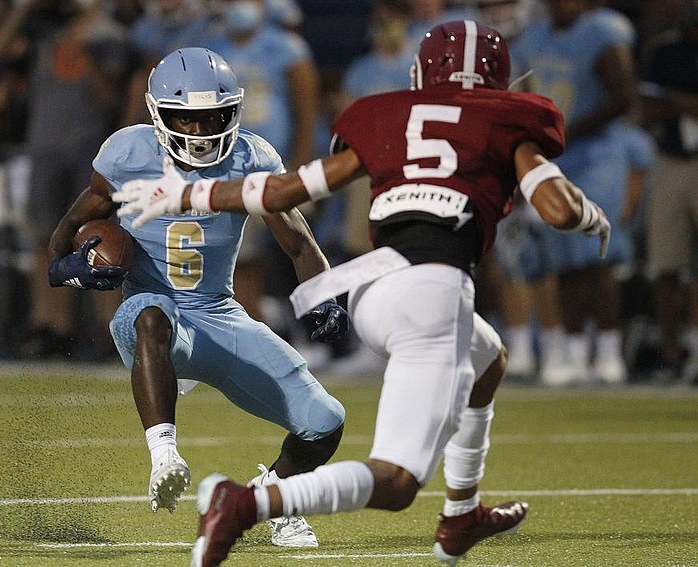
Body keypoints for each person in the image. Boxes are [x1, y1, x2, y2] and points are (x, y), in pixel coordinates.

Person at [111, 21, 611, 566]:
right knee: (396, 482)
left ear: (421, 73)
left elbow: (282, 190)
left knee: (487, 361)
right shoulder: (510, 118)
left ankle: (462, 511)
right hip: (432, 290)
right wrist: (591, 217)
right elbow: (559, 210)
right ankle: (249, 503)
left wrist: (188, 191)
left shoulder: (384, 112)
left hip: (373, 282)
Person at [45, 47, 348, 548]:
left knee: (325, 422)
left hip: (218, 316)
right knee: (151, 313)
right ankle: (165, 454)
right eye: (189, 119)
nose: (203, 132)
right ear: (158, 113)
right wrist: (71, 268)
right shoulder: (128, 154)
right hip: (151, 318)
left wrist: (325, 297)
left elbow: (298, 241)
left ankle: (271, 497)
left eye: (214, 118)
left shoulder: (253, 157)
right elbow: (65, 235)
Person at [0, 0, 131, 360]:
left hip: (90, 150)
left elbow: (110, 96)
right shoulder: (43, 28)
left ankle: (109, 328)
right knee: (43, 238)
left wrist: (87, 50)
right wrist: (21, 8)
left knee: (98, 237)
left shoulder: (110, 36)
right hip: (44, 146)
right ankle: (50, 325)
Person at [510, 0, 637, 385]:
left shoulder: (601, 32)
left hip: (596, 155)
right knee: (562, 258)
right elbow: (526, 91)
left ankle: (610, 352)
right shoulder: (535, 36)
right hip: (558, 157)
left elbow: (622, 97)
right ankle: (575, 351)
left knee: (597, 257)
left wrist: (564, 133)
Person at [638, 0, 698, 385]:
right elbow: (645, 109)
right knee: (666, 265)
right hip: (672, 159)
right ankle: (671, 354)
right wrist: (680, 103)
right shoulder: (666, 50)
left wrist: (678, 101)